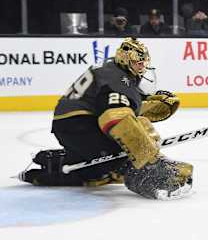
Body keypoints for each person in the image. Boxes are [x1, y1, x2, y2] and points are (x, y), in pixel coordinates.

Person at [18, 37, 193, 200]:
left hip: (70, 125)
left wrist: (144, 104)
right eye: (138, 64)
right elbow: (115, 117)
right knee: (124, 156)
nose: (142, 69)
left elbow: (111, 106)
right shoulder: (118, 78)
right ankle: (151, 171)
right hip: (81, 126)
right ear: (126, 60)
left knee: (98, 171)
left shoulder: (110, 72)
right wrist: (145, 155)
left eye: (143, 64)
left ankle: (52, 167)